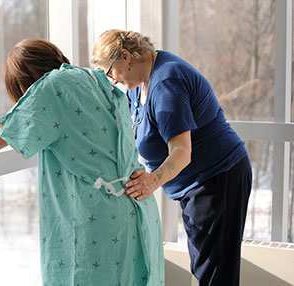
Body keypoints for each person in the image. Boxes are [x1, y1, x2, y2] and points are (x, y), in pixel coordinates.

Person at [0, 38, 164, 285]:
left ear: (25, 84)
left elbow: (1, 131)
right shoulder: (94, 78)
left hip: (102, 221)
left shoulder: (52, 86)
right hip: (138, 210)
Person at [91, 29, 252, 285]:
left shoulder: (166, 82)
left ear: (126, 56)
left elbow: (181, 151)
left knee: (214, 273)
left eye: (110, 71)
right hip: (196, 184)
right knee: (205, 267)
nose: (112, 79)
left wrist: (151, 181)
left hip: (216, 178)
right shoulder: (138, 85)